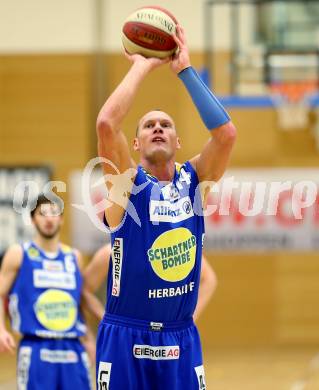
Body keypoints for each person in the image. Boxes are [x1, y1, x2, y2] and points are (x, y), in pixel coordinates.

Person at [96, 24, 236, 389]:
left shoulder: (196, 183)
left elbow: (226, 135)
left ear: (178, 140)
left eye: (166, 124)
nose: (158, 127)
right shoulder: (125, 186)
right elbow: (107, 124)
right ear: (137, 144)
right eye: (148, 125)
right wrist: (143, 63)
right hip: (125, 337)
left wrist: (184, 70)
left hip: (180, 337)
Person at [0, 194, 100, 389]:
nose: (49, 218)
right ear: (32, 219)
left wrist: (89, 338)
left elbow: (77, 303)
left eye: (54, 213)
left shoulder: (74, 257)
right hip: (37, 347)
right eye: (42, 214)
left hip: (72, 347)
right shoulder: (19, 254)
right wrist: (1, 329)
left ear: (61, 219)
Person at [84, 244, 217, 322]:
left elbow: (209, 279)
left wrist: (189, 319)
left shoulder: (172, 246)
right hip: (128, 333)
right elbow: (84, 288)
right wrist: (105, 319)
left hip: (168, 335)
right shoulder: (113, 250)